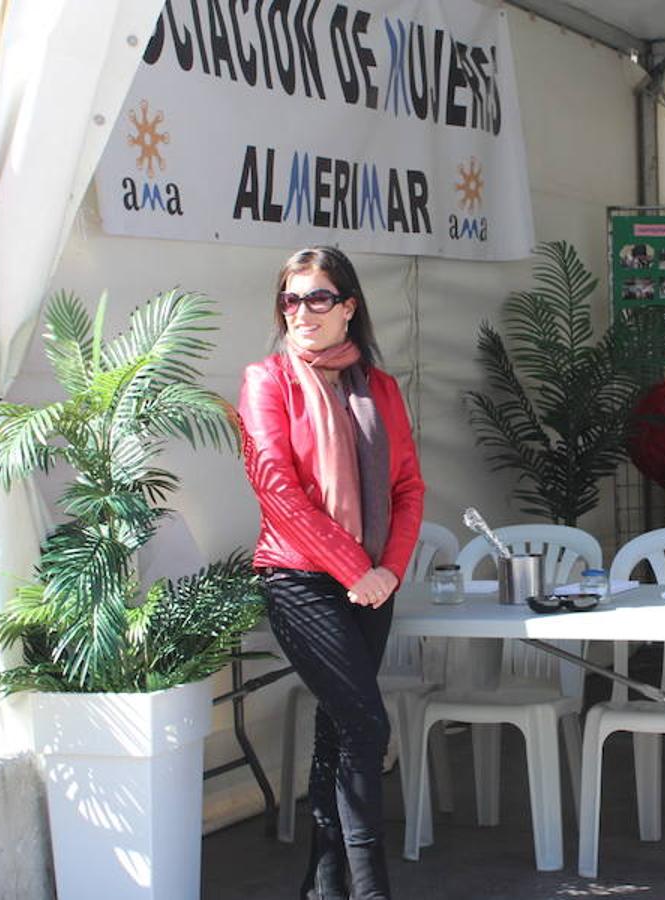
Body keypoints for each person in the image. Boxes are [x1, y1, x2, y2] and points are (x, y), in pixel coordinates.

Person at [239, 246, 425, 900]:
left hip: (372, 585)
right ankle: (371, 891)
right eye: (291, 299)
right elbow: (276, 490)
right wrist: (355, 567)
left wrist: (389, 571)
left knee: (340, 729)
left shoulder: (382, 389)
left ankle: (323, 888)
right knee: (367, 725)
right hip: (298, 580)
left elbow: (407, 487)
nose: (302, 312)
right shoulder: (268, 380)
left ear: (348, 306)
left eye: (318, 297)